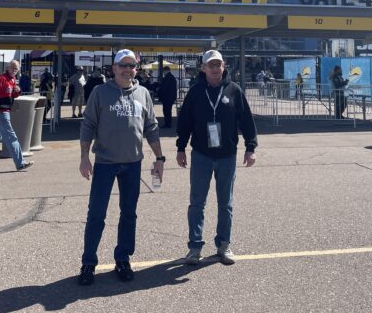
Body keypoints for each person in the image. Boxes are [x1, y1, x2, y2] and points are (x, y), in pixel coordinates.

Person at [77, 49, 165, 286]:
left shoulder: (143, 94)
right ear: (114, 68)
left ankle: (123, 258)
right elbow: (88, 125)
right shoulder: (100, 92)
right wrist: (84, 157)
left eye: (132, 66)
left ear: (136, 69)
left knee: (129, 213)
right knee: (96, 214)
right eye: (123, 65)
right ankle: (88, 263)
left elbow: (151, 127)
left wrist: (159, 158)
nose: (128, 70)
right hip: (105, 163)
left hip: (132, 164)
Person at [176, 49, 257, 266]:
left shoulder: (234, 90)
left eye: (218, 64)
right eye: (210, 65)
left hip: (227, 156)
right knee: (197, 203)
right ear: (203, 68)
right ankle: (194, 247)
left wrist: (251, 147)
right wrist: (180, 148)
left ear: (224, 67)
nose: (214, 68)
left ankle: (224, 245)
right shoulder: (195, 92)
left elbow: (247, 120)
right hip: (201, 155)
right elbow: (185, 122)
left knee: (226, 204)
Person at [0, 60, 34, 172]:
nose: (14, 70)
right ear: (8, 68)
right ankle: (20, 163)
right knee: (11, 137)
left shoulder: (13, 79)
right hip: (0, 112)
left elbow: (12, 94)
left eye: (16, 68)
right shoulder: (1, 79)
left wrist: (18, 91)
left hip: (4, 111)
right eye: (13, 68)